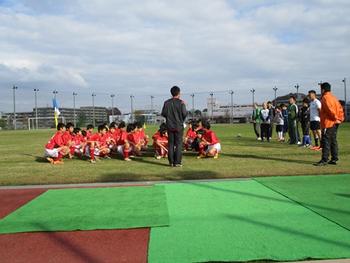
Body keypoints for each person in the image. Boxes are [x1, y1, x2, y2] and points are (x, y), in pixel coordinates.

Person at [314, 82, 344, 166]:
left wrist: (335, 118)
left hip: (328, 123)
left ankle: (324, 159)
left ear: (323, 89)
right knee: (333, 140)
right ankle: (334, 158)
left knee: (326, 140)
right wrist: (340, 119)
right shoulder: (334, 97)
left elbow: (330, 110)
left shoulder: (325, 97)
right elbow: (340, 109)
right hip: (335, 122)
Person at [161, 86, 187, 167]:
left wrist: (169, 118)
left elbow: (163, 113)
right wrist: (180, 119)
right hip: (179, 126)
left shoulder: (166, 102)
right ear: (179, 93)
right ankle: (177, 162)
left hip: (170, 126)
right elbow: (184, 114)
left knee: (171, 144)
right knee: (179, 144)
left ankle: (171, 162)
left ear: (171, 93)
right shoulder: (181, 102)